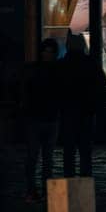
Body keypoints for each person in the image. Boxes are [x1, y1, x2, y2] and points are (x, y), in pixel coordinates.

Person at [57, 32, 104, 178]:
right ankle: (85, 177)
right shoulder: (90, 63)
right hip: (86, 111)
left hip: (68, 111)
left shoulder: (63, 65)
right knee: (85, 149)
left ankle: (69, 177)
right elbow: (102, 82)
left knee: (69, 148)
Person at [19, 39, 61, 200]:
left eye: (49, 52)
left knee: (39, 157)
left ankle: (36, 189)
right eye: (45, 51)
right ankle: (37, 189)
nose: (47, 54)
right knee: (40, 157)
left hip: (42, 118)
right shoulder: (55, 71)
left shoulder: (34, 70)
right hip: (42, 118)